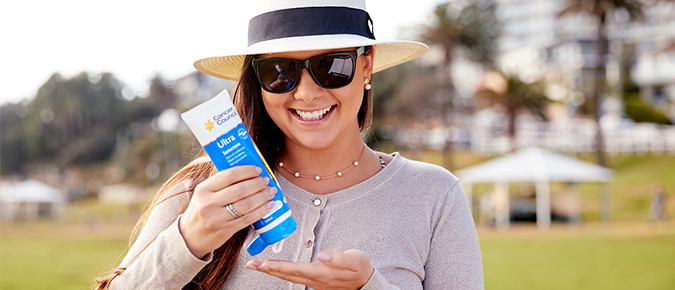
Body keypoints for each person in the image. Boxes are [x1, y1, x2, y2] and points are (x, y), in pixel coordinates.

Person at [94, 0, 483, 289]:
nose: (308, 93)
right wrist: (188, 240)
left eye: (332, 66)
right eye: (279, 72)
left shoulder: (434, 196)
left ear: (366, 66)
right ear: (256, 80)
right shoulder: (203, 192)